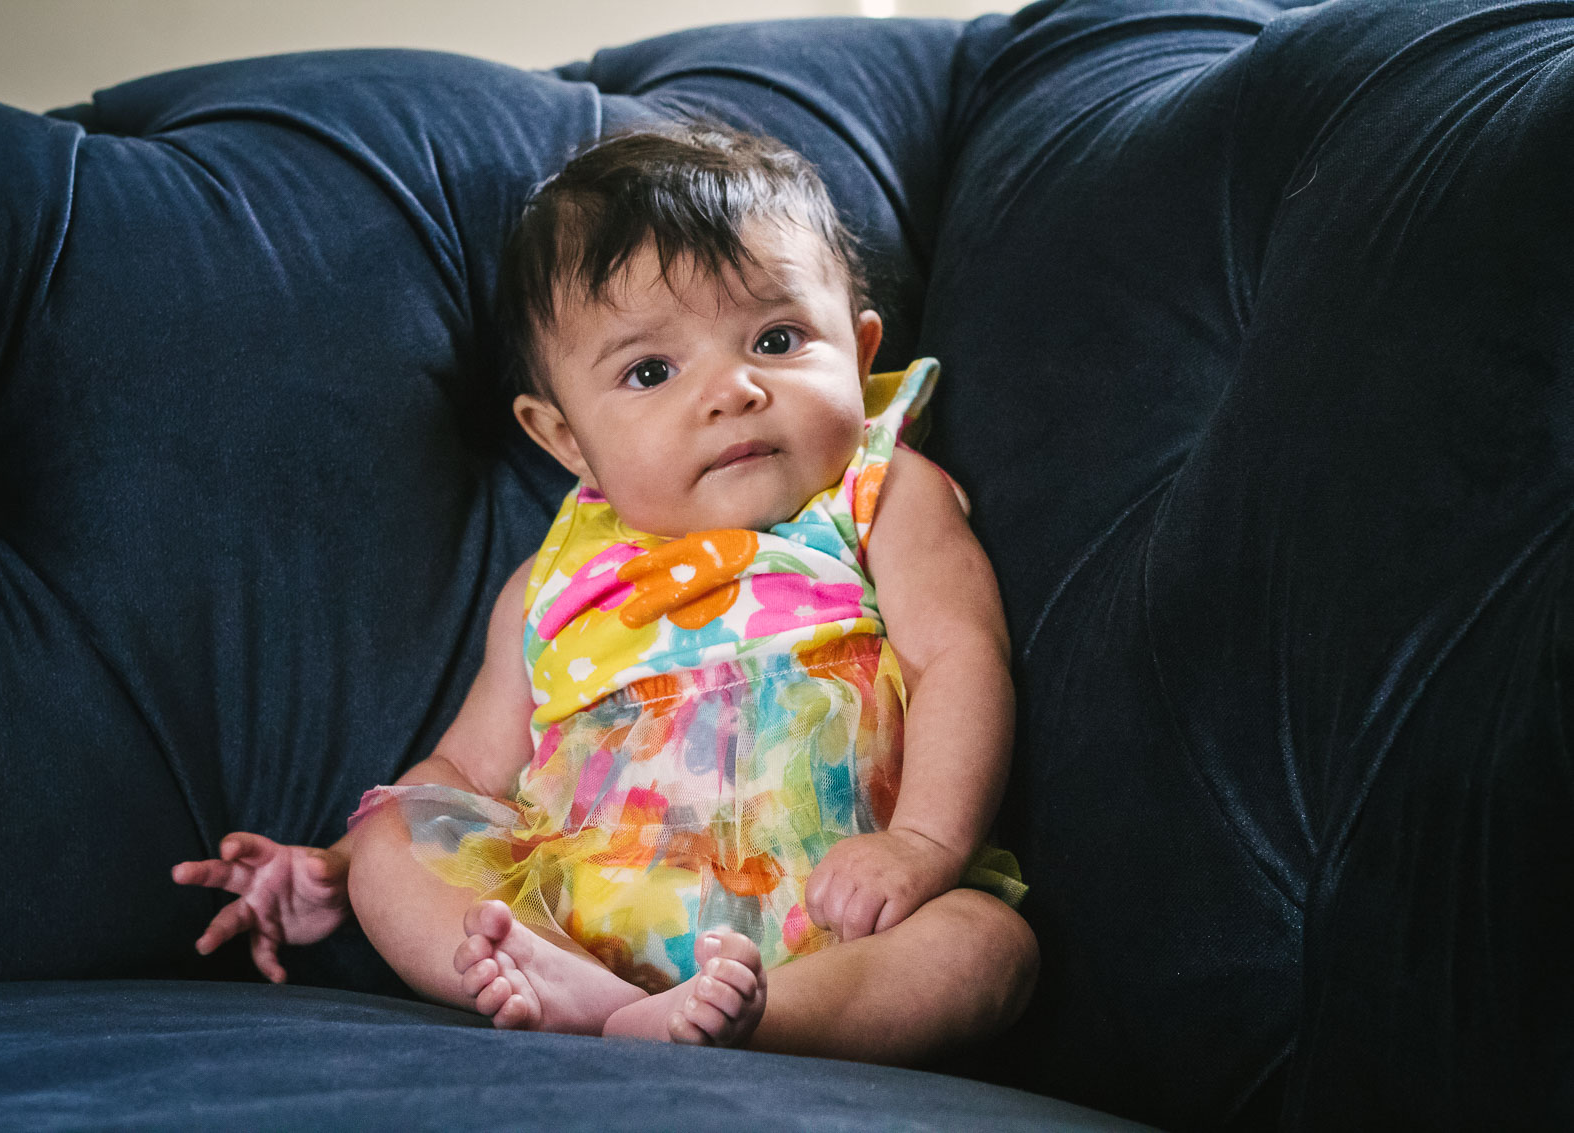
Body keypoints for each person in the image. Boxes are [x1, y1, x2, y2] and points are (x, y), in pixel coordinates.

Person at [172, 123, 1038, 1065]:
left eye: (778, 339)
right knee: (394, 832)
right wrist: (338, 870)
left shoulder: (876, 494)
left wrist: (922, 843)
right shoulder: (549, 584)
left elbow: (957, 656)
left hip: (837, 911)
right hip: (582, 920)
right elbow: (463, 773)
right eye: (651, 370)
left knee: (989, 945)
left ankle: (765, 1019)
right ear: (567, 440)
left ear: (859, 346)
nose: (734, 389)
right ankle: (567, 987)